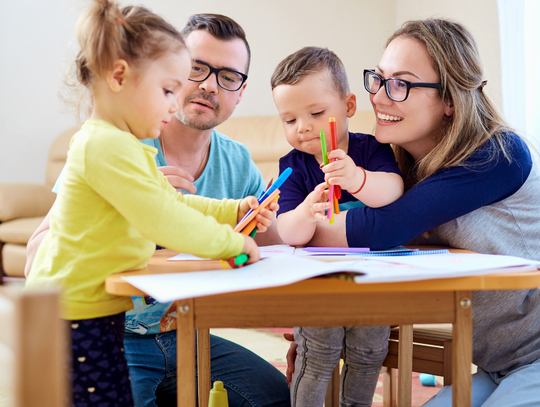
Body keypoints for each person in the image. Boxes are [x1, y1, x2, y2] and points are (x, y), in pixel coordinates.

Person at [25, 12, 289, 407]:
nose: (202, 87)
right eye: (175, 85)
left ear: (240, 90)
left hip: (161, 327)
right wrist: (227, 243)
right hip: (77, 317)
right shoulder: (108, 146)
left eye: (227, 76)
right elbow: (164, 218)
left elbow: (177, 204)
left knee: (271, 395)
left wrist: (234, 210)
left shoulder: (132, 146)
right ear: (120, 78)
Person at [286, 19, 540, 407]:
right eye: (379, 79)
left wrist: (295, 227)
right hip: (498, 364)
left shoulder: (497, 154)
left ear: (451, 99)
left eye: (401, 84)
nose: (380, 97)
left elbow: (381, 229)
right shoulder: (398, 170)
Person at [271, 47, 404, 407]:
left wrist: (358, 179)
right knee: (318, 355)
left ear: (348, 106)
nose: (303, 127)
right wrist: (306, 211)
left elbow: (393, 192)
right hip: (319, 286)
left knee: (369, 353)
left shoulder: (372, 149)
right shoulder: (294, 166)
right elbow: (290, 234)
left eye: (316, 113)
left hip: (372, 281)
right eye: (289, 120)